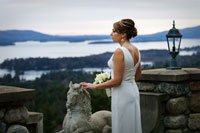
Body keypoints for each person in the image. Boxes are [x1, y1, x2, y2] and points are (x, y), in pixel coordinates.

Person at [80, 18, 142, 133]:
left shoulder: (120, 51)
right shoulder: (136, 50)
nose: (111, 34)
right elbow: (137, 76)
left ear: (123, 34)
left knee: (123, 126)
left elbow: (117, 80)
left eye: (114, 31)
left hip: (122, 93)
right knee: (131, 125)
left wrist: (95, 86)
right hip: (133, 91)